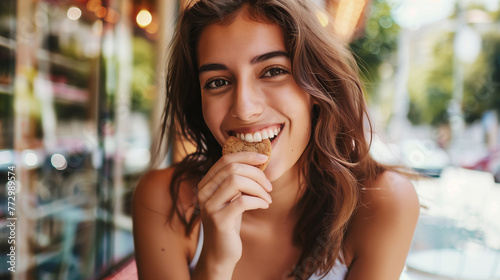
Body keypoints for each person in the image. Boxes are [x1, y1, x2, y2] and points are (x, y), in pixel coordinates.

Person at [132, 0, 420, 279]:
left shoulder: (382, 204)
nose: (244, 109)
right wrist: (216, 263)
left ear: (318, 85)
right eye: (218, 82)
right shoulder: (164, 201)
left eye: (273, 71)